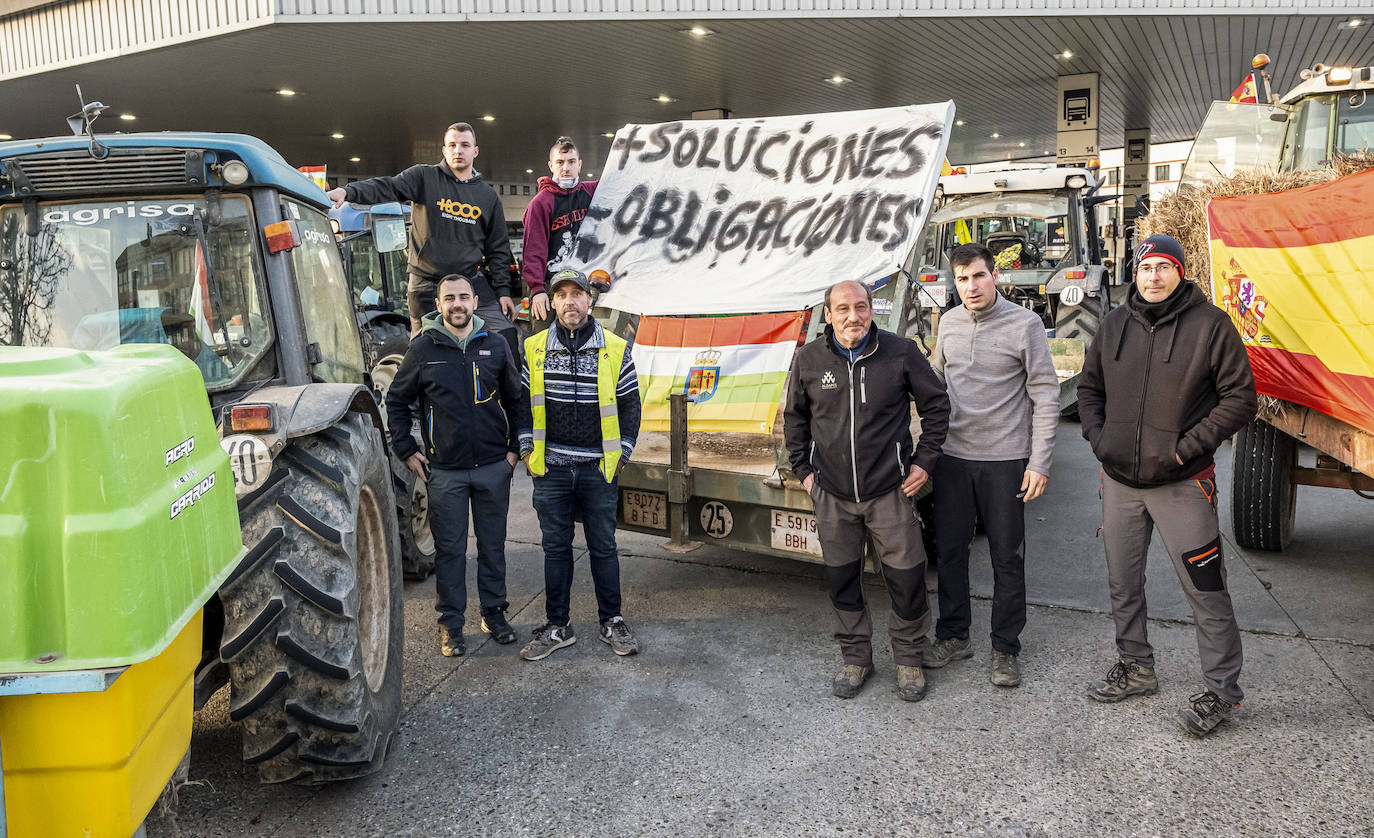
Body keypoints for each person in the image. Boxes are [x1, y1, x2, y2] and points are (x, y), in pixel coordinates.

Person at [1078, 234, 1257, 737]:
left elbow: (1240, 399)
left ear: (1179, 271)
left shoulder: (1211, 327)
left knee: (1206, 588)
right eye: (1145, 266)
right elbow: (1089, 389)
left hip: (1183, 483)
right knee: (1123, 582)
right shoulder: (1113, 326)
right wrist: (1099, 439)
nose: (1153, 276)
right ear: (1134, 271)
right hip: (1119, 483)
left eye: (1163, 266)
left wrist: (1185, 448)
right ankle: (1136, 667)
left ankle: (1222, 691)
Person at [784, 279, 950, 701]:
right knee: (842, 580)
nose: (853, 316)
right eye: (843, 309)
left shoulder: (901, 352)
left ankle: (910, 659)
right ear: (828, 314)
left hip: (890, 493)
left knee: (907, 579)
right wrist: (804, 472)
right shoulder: (808, 359)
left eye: (860, 307)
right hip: (832, 496)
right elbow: (795, 421)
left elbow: (937, 406)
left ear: (871, 309)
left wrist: (924, 462)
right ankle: (856, 658)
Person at [925, 243, 1059, 688]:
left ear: (994, 277)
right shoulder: (948, 323)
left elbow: (1045, 393)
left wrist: (1039, 462)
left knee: (1006, 556)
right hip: (953, 459)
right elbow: (936, 385)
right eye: (962, 279)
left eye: (978, 276)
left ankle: (1005, 647)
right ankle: (954, 635)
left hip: (1005, 460)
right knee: (949, 551)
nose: (971, 287)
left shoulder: (1026, 324)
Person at [385, 274, 522, 657]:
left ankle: (494, 615)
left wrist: (513, 451)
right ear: (439, 305)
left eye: (464, 297)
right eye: (450, 299)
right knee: (450, 550)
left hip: (494, 466)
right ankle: (451, 625)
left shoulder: (495, 345)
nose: (457, 304)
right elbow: (396, 402)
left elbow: (517, 398)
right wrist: (407, 449)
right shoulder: (422, 349)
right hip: (444, 471)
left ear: (475, 302)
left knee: (493, 547)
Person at [516, 267, 642, 661]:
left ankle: (612, 621)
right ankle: (557, 626)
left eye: (577, 293)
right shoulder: (533, 348)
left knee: (603, 547)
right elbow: (521, 403)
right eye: (562, 295)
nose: (570, 301)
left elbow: (630, 405)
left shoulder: (615, 348)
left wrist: (621, 452)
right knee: (556, 549)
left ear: (590, 300)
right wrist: (526, 452)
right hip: (551, 469)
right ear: (551, 302)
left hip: (596, 469)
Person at [327, 123, 518, 354]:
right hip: (426, 282)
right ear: (444, 150)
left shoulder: (487, 197)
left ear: (475, 151)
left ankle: (506, 390)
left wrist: (504, 292)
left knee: (504, 334)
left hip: (468, 279)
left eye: (464, 145)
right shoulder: (424, 177)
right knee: (424, 350)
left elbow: (498, 249)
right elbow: (388, 187)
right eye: (452, 145)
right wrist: (348, 192)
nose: (458, 150)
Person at [520, 137, 599, 329]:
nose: (566, 168)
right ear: (551, 165)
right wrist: (537, 290)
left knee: (587, 341)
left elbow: (620, 182)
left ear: (579, 164)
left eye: (571, 162)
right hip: (550, 285)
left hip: (583, 284)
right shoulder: (541, 203)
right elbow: (533, 249)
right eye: (560, 162)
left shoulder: (591, 191)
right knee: (543, 340)